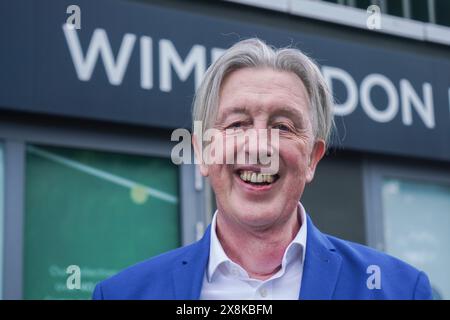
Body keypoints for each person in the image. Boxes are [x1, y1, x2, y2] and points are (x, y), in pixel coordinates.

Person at [92, 38, 432, 300]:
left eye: (282, 127)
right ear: (203, 153)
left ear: (313, 157)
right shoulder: (124, 294)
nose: (258, 146)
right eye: (237, 124)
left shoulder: (400, 290)